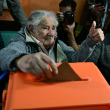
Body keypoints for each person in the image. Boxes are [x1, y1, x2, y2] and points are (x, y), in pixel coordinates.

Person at [0, 10, 104, 80]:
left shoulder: (57, 43)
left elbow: (75, 59)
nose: (51, 33)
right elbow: (4, 54)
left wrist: (90, 41)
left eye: (53, 28)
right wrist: (22, 59)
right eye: (45, 28)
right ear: (31, 29)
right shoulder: (22, 41)